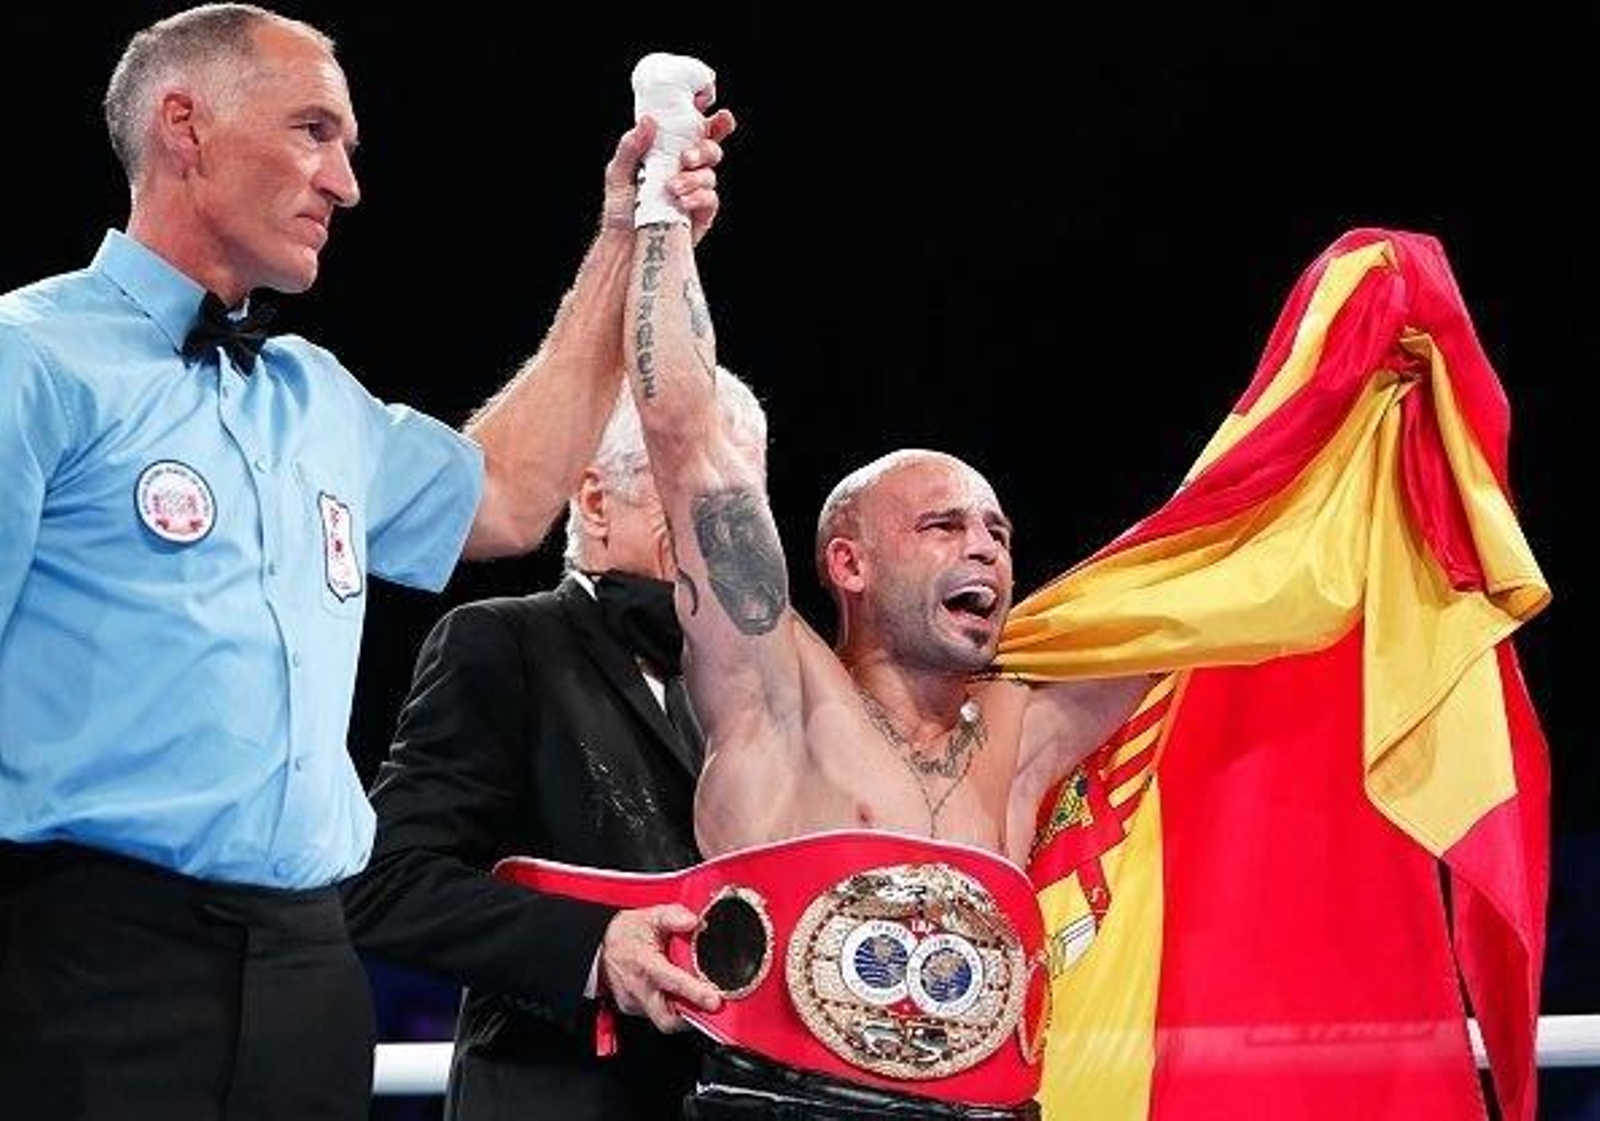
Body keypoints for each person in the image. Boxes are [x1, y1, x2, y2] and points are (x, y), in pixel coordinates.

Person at [0, 7, 732, 1120]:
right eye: (312, 132)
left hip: (307, 969)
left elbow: (506, 496)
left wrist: (628, 233)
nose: (344, 182)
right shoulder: (29, 359)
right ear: (184, 127)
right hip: (86, 964)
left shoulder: (313, 394)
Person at [611, 57, 1152, 1119]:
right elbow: (687, 434)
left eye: (998, 531)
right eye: (944, 524)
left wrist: (1353, 420)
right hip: (781, 1103)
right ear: (846, 563)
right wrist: (663, 200)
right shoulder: (777, 685)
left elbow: (1222, 594)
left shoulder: (1027, 730)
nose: (985, 551)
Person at [340, 374, 767, 1121]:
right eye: (695, 488)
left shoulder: (762, 686)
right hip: (559, 1092)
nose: (727, 528)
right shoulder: (507, 643)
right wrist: (595, 949)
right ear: (597, 502)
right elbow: (383, 882)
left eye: (743, 499)